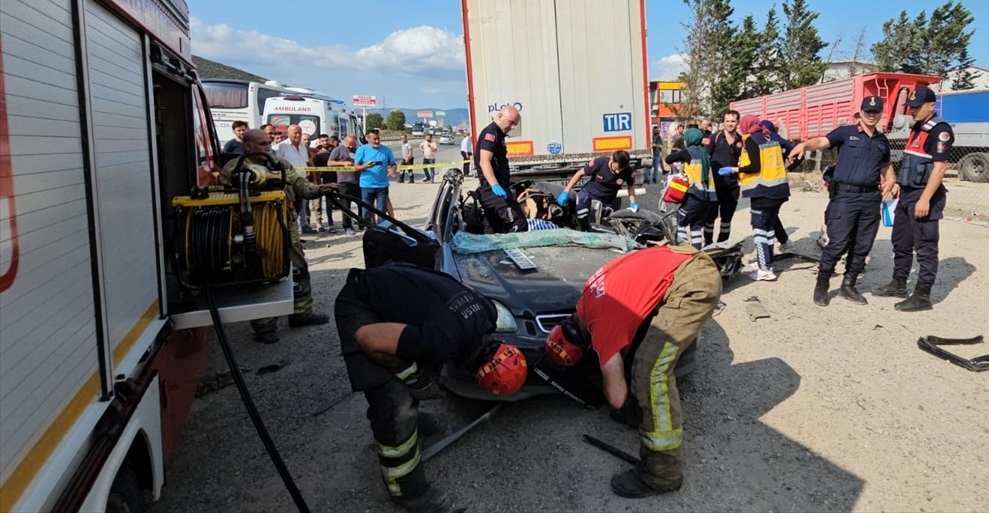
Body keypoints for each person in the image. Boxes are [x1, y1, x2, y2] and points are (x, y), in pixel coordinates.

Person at [335, 262, 528, 512]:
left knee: (425, 357)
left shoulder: (487, 312)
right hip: (360, 305)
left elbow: (460, 295)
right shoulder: (441, 339)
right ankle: (407, 489)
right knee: (395, 400)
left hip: (393, 282)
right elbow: (368, 339)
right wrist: (415, 378)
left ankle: (414, 419)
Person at [543, 246, 721, 498]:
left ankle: (662, 473)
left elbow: (615, 397)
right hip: (678, 258)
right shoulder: (588, 296)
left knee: (651, 372)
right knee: (635, 348)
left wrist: (608, 376)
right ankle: (636, 412)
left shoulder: (602, 329)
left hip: (693, 283)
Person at [230, 129, 337, 344]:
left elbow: (299, 185)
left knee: (298, 269)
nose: (267, 148)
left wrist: (319, 189)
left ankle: (301, 314)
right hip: (256, 230)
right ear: (247, 145)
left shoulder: (280, 165)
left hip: (286, 226)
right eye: (261, 144)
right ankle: (264, 326)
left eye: (268, 143)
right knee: (261, 275)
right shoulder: (234, 169)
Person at [789, 96, 895, 306]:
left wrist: (891, 179)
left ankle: (849, 285)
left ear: (880, 113)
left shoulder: (882, 141)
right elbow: (821, 142)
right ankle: (822, 285)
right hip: (845, 197)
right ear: (861, 112)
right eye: (868, 111)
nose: (871, 115)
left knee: (862, 245)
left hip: (870, 198)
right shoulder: (846, 133)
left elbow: (885, 165)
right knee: (837, 243)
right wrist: (804, 145)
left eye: (875, 112)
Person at [873, 87, 953, 311]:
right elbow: (911, 162)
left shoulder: (940, 130)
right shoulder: (918, 128)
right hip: (907, 193)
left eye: (918, 107)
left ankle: (923, 296)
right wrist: (898, 182)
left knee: (925, 247)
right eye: (912, 107)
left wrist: (925, 199)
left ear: (931, 105)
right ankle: (899, 284)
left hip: (923, 195)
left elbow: (939, 168)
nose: (914, 111)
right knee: (901, 242)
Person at [720, 115, 789, 281]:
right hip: (779, 189)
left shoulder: (752, 140)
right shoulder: (771, 136)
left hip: (762, 191)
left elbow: (755, 166)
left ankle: (765, 269)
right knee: (769, 228)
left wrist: (735, 170)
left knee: (759, 229)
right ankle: (766, 262)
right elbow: (789, 148)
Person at [475, 105, 528, 233]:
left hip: (498, 188)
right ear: (500, 116)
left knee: (494, 228)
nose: (513, 127)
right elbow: (484, 161)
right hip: (492, 190)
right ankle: (518, 252)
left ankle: (491, 252)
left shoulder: (499, 134)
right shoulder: (491, 133)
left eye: (516, 124)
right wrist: (494, 185)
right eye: (511, 122)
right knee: (518, 223)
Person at [663, 128, 717, 248]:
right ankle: (697, 252)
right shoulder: (706, 153)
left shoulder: (687, 152)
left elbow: (668, 159)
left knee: (679, 222)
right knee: (696, 227)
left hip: (694, 196)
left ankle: (685, 249)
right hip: (708, 198)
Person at [557, 150, 638, 231]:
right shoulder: (600, 163)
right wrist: (566, 191)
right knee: (582, 212)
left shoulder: (628, 171)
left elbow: (630, 186)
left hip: (606, 201)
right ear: (612, 160)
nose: (617, 172)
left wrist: (632, 202)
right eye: (615, 168)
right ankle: (582, 230)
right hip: (588, 193)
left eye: (620, 170)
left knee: (605, 223)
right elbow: (580, 173)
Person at [760, 119, 798, 254]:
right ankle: (784, 241)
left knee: (767, 218)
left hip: (766, 184)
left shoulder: (763, 142)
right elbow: (800, 155)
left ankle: (767, 257)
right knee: (772, 215)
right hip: (781, 184)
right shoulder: (783, 142)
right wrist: (789, 168)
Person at [706, 110, 743, 245]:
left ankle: (722, 244)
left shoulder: (741, 140)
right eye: (727, 121)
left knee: (726, 218)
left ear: (738, 122)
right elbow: (705, 157)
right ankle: (708, 243)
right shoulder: (715, 138)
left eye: (733, 121)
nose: (730, 124)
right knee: (710, 217)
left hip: (732, 186)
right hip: (714, 186)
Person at [275, 125, 315, 233]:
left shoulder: (303, 147)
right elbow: (277, 164)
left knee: (298, 208)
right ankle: (289, 234)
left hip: (301, 182)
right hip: (288, 183)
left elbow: (306, 163)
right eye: (295, 133)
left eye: (299, 133)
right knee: (289, 210)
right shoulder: (281, 147)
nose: (298, 135)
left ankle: (296, 233)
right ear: (289, 133)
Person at [355, 129, 397, 223]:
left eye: (378, 138)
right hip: (367, 185)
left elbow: (393, 164)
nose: (377, 141)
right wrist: (365, 166)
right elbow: (356, 167)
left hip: (382, 186)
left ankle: (381, 231)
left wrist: (392, 169)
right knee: (366, 210)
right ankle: (368, 227)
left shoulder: (386, 150)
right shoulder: (362, 150)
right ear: (367, 138)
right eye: (374, 139)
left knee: (381, 211)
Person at [327, 132, 364, 235]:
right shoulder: (338, 150)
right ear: (345, 141)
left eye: (354, 144)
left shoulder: (358, 150)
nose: (352, 146)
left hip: (358, 181)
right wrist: (343, 163)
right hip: (344, 182)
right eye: (350, 144)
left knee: (362, 204)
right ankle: (347, 226)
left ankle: (362, 223)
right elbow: (329, 163)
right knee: (346, 206)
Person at [311, 135, 337, 232]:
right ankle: (330, 223)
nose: (325, 142)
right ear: (320, 142)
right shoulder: (319, 155)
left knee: (341, 202)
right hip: (327, 181)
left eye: (326, 140)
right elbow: (317, 170)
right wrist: (318, 182)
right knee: (329, 203)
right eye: (323, 141)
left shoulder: (335, 151)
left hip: (339, 180)